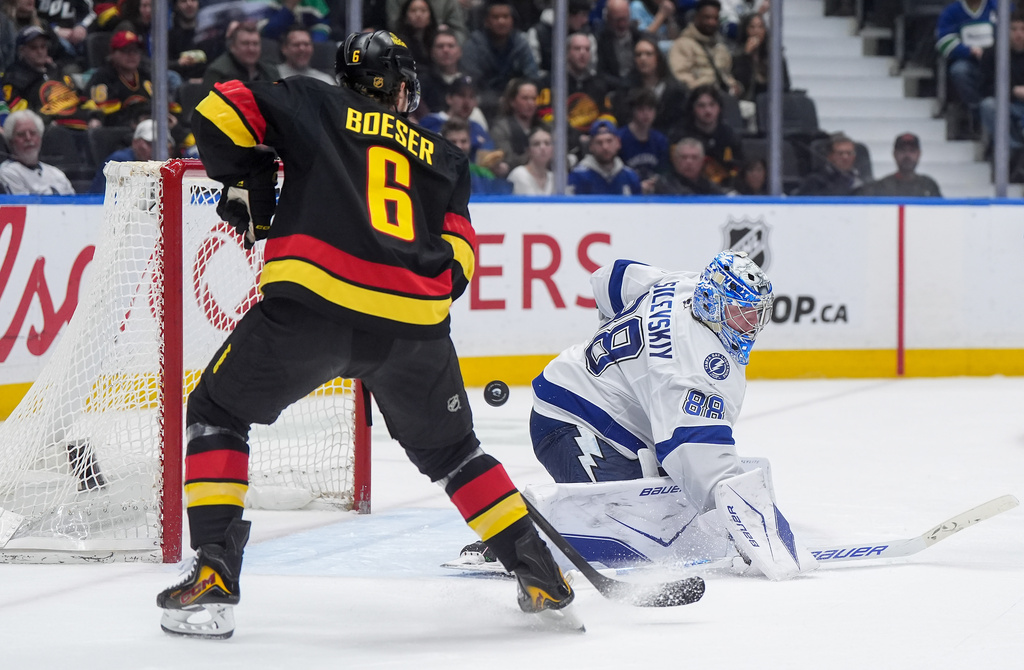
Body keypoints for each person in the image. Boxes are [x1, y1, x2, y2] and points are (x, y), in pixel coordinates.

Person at [156, 29, 576, 639]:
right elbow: (460, 260)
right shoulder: (443, 154)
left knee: (217, 411)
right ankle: (537, 570)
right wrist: (408, 295)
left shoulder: (312, 100)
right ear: (395, 83)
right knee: (457, 455)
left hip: (312, 311)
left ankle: (216, 571)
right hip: (415, 332)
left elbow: (218, 108)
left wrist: (247, 177)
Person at [513, 252, 816, 581]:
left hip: (609, 418)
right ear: (712, 303)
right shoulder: (692, 366)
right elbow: (700, 456)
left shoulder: (681, 285)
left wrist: (614, 351)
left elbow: (611, 277)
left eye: (755, 313)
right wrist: (748, 532)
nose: (750, 324)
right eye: (739, 312)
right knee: (623, 534)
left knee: (670, 507)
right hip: (571, 420)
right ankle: (512, 538)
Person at [1, 26, 98, 130]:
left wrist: (95, 117)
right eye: (34, 47)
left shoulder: (58, 70)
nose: (40, 51)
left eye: (43, 46)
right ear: (22, 50)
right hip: (52, 132)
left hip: (84, 126)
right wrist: (49, 123)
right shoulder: (14, 79)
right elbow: (23, 118)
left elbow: (83, 98)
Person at [459, 0, 539, 119]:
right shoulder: (474, 45)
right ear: (487, 21)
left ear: (512, 20)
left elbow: (531, 76)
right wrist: (496, 100)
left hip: (515, 103)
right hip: (483, 104)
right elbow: (471, 81)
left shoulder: (520, 43)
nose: (501, 21)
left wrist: (513, 97)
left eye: (505, 17)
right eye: (495, 17)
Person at [610, 34, 689, 136]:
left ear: (658, 57)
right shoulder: (626, 88)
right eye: (638, 55)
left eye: (648, 54)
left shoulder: (676, 90)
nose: (643, 58)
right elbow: (622, 118)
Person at [936, 0, 997, 129]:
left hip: (998, 63)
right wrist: (969, 50)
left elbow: (1013, 31)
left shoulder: (997, 7)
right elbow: (944, 42)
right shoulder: (951, 11)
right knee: (959, 71)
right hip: (970, 63)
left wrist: (991, 53)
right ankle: (978, 113)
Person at [670, 83, 744, 188]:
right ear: (693, 109)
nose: (708, 111)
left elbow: (738, 168)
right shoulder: (680, 136)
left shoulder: (729, 136)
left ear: (719, 108)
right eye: (701, 106)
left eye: (712, 105)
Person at [667, 0, 739, 97]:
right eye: (707, 17)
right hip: (696, 100)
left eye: (715, 18)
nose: (711, 22)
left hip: (723, 99)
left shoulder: (721, 48)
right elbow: (681, 79)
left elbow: (727, 75)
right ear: (696, 17)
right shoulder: (682, 45)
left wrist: (734, 86)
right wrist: (706, 83)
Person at [730, 11, 790, 125]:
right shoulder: (737, 55)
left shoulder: (775, 56)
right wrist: (746, 56)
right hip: (748, 101)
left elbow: (785, 84)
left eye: (760, 27)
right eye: (752, 27)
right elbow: (741, 83)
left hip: (772, 101)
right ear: (746, 30)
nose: (756, 31)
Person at [86, 30, 155, 127]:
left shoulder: (146, 75)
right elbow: (101, 114)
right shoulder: (102, 77)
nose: (132, 55)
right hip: (120, 130)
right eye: (125, 50)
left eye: (135, 51)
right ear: (112, 53)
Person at [979, 9, 1024, 151]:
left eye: (1023, 29)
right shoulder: (992, 54)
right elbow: (984, 87)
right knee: (988, 106)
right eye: (1014, 29)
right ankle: (1013, 150)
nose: (1019, 34)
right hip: (1007, 105)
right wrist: (1013, 91)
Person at [0, 109, 75, 194]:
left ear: (40, 138)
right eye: (21, 134)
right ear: (11, 141)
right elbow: (24, 205)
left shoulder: (56, 174)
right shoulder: (8, 172)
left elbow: (75, 204)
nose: (28, 138)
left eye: (33, 133)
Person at [89, 118, 166, 193]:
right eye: (150, 144)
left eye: (162, 145)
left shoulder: (167, 165)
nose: (156, 149)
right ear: (135, 142)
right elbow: (98, 195)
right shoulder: (120, 162)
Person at [567, 119, 642, 195]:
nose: (605, 147)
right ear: (591, 146)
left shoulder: (630, 177)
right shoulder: (578, 176)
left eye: (609, 141)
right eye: (599, 142)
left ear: (618, 143)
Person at [201, 20, 280, 91]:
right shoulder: (218, 72)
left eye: (255, 44)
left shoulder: (270, 72)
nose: (251, 49)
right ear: (232, 46)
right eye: (245, 43)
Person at [442, 116, 513, 194]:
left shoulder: (482, 174)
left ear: (470, 142)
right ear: (443, 143)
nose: (459, 146)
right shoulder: (436, 172)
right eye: (453, 142)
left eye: (463, 141)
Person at [859, 133, 942, 198]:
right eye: (902, 150)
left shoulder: (928, 185)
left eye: (912, 151)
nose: (907, 155)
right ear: (894, 154)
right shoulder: (882, 187)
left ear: (919, 154)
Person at [616, 87, 669, 182]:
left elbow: (663, 172)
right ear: (633, 111)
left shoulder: (660, 140)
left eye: (650, 109)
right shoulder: (620, 138)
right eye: (641, 109)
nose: (646, 114)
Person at [645, 136, 725, 195]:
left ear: (702, 161)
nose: (689, 162)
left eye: (694, 157)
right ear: (675, 160)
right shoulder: (663, 184)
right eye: (684, 157)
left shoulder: (711, 188)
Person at [489, 77, 539, 171]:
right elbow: (507, 159)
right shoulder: (501, 129)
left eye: (534, 98)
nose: (531, 103)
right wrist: (532, 155)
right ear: (512, 102)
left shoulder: (542, 127)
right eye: (525, 98)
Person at [793, 133, 865, 196]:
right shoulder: (815, 181)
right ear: (830, 156)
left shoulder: (862, 179)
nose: (845, 157)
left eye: (849, 153)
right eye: (840, 153)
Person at [596, 0, 642, 89]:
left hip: (638, 87)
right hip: (611, 89)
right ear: (608, 19)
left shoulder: (639, 37)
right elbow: (600, 73)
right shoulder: (600, 39)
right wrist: (622, 84)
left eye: (624, 19)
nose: (622, 24)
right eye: (617, 20)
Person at [507, 125, 555, 194]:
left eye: (547, 143)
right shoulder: (519, 175)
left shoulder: (554, 178)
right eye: (536, 144)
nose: (542, 148)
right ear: (528, 150)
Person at [394, 0, 438, 70]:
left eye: (423, 11)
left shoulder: (437, 40)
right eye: (413, 11)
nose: (418, 15)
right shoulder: (399, 42)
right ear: (405, 16)